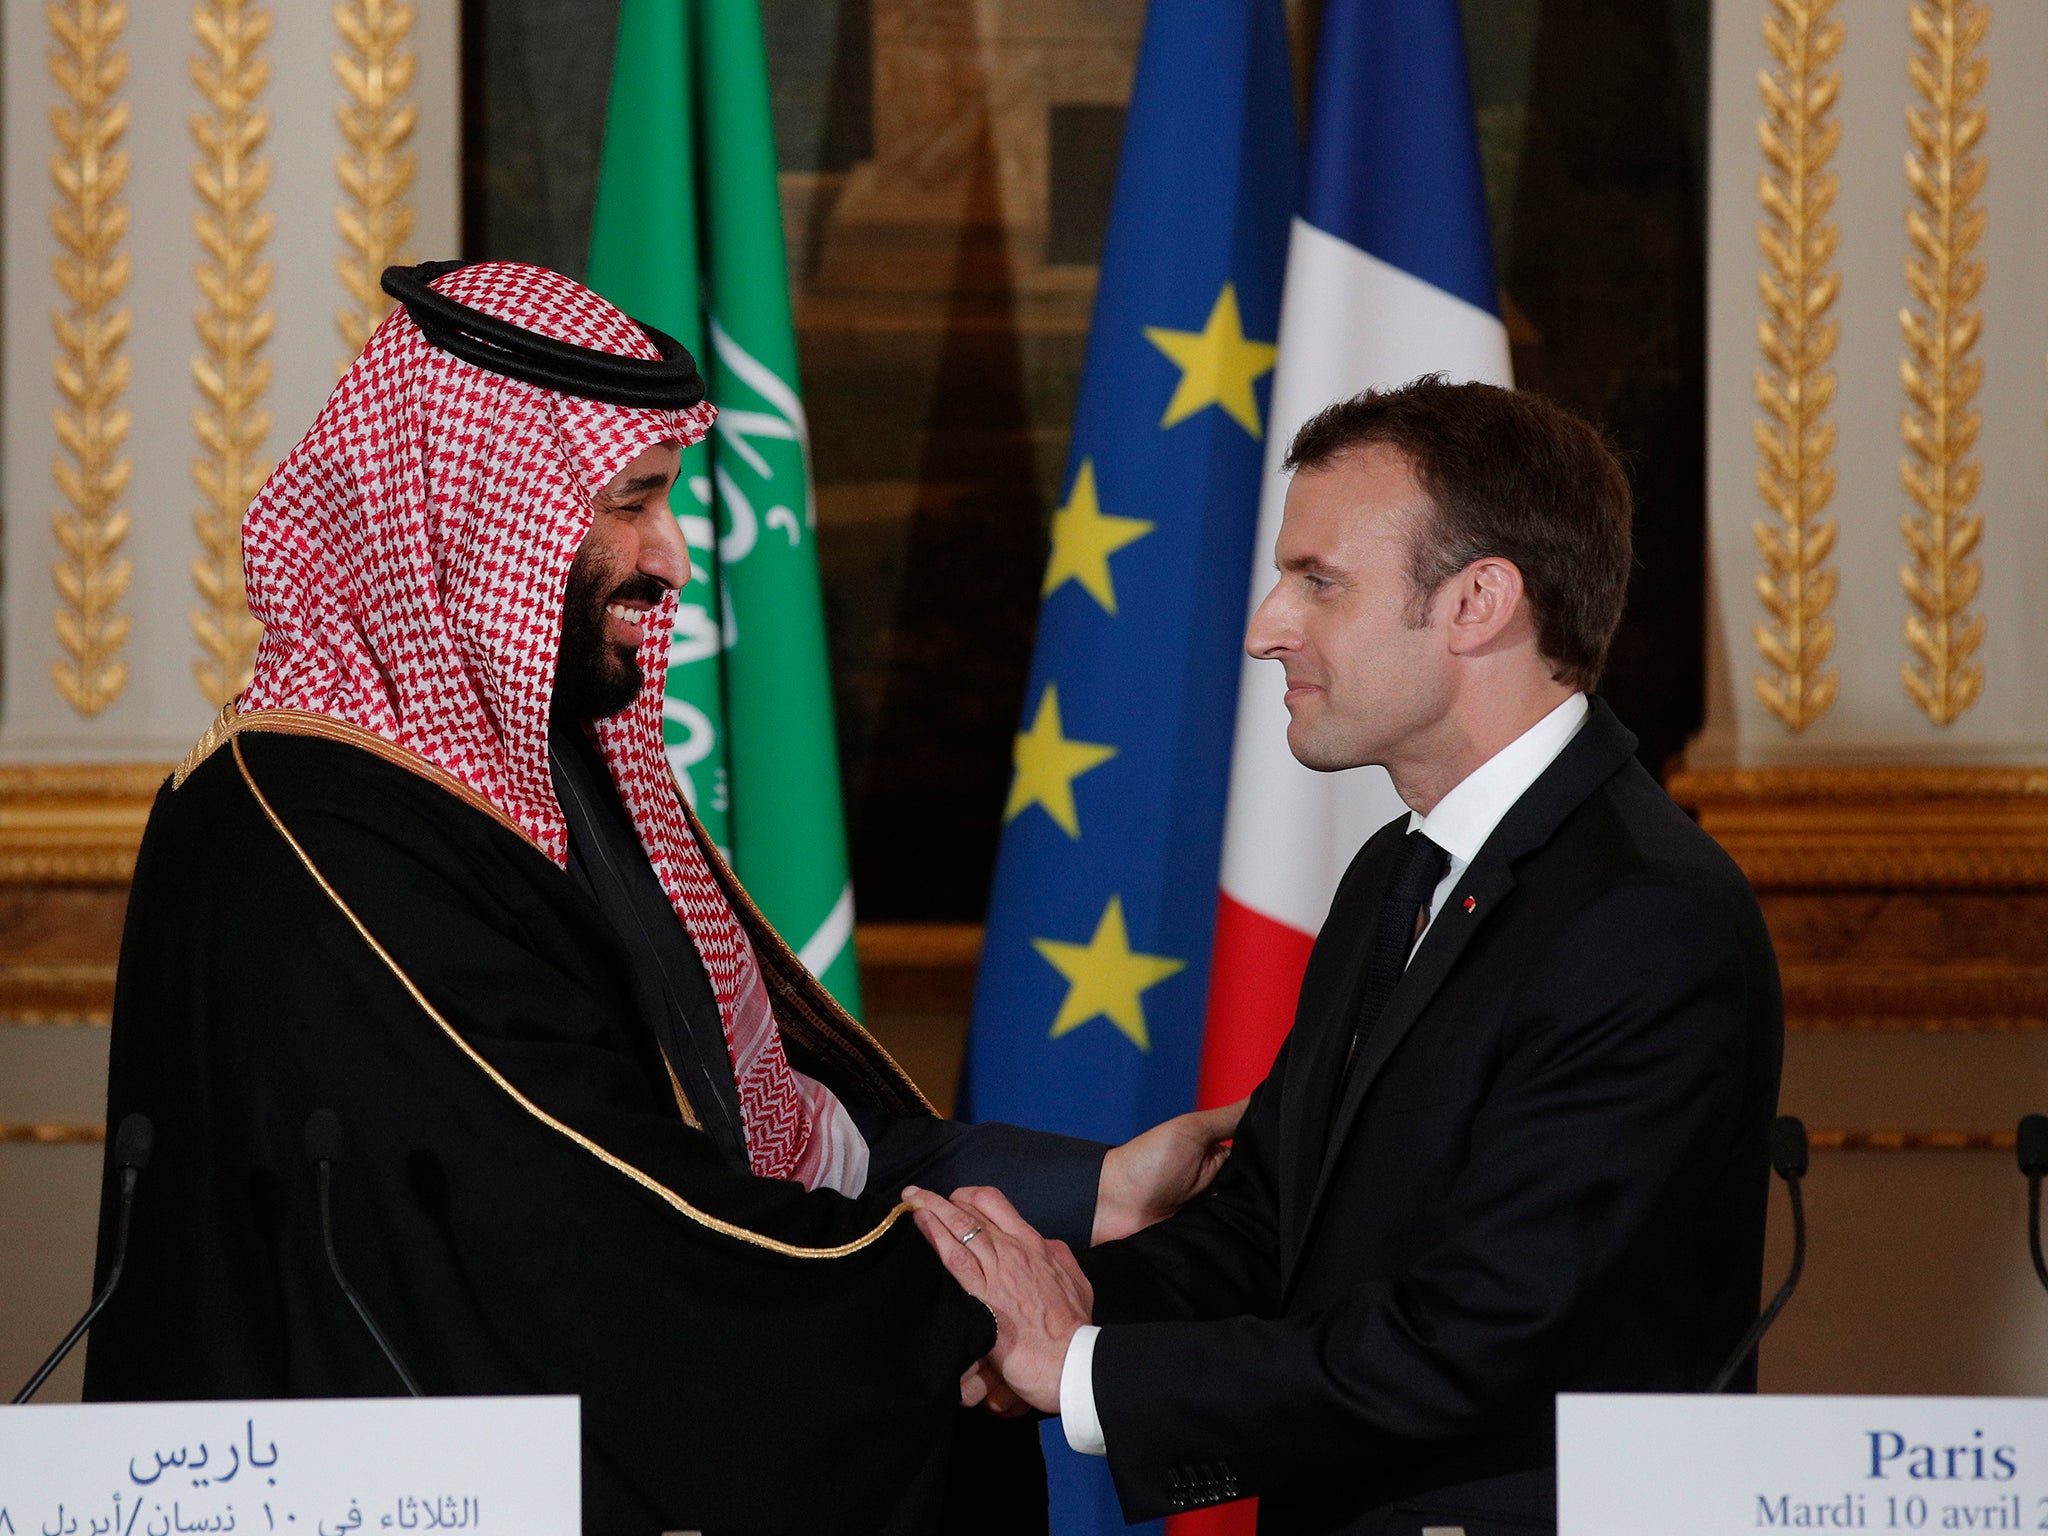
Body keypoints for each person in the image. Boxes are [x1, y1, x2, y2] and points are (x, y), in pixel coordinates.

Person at [83, 261, 1239, 1536]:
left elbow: (776, 1124)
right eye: (629, 505)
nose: (671, 556)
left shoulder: (556, 768)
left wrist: (1101, 1194)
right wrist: (954, 1298)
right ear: (472, 517)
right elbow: (585, 1218)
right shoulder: (302, 823)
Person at [906, 376, 1785, 1534]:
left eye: (1317, 583)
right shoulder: (1398, 869)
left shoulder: (1646, 920)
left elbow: (1472, 1341)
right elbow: (1269, 1231)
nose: (1267, 626)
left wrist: (1077, 1370)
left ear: (1477, 602)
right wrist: (1011, 1317)